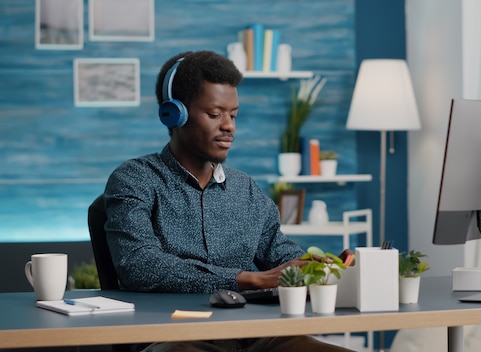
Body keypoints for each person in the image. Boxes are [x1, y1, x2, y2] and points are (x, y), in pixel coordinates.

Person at [103, 50, 354, 352]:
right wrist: (246, 279)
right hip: (174, 335)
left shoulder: (246, 189)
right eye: (215, 114)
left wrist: (315, 268)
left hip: (255, 334)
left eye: (233, 115)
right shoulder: (135, 179)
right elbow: (141, 265)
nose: (229, 126)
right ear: (175, 114)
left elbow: (279, 254)